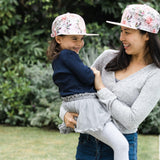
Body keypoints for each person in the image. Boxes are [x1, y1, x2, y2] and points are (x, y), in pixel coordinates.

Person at [62, 4, 160, 160]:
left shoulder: (154, 75)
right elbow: (77, 90)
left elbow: (131, 120)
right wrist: (64, 113)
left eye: (127, 32)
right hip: (88, 144)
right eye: (121, 31)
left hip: (120, 147)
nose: (121, 38)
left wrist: (101, 89)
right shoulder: (107, 58)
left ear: (146, 35)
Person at [46, 13, 129, 160]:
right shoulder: (68, 55)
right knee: (121, 145)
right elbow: (86, 77)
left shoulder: (57, 59)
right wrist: (95, 74)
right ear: (59, 39)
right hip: (86, 104)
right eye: (74, 38)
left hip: (72, 103)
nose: (79, 43)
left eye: (81, 38)